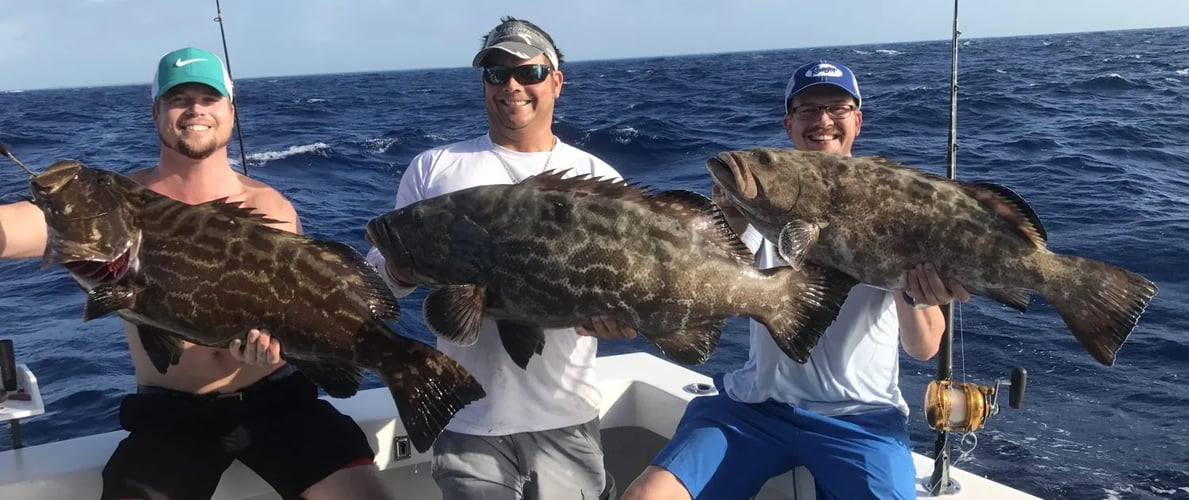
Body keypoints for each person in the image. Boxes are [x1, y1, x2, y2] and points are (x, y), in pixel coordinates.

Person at [0, 47, 390, 500]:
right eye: (179, 98)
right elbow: (11, 228)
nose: (195, 110)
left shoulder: (271, 207)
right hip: (171, 415)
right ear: (156, 111)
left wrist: (277, 354)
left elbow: (300, 313)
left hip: (277, 399)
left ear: (230, 110)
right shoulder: (109, 208)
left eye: (208, 98)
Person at [621, 60, 973, 500]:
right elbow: (707, 288)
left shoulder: (894, 203)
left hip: (862, 418)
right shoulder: (761, 195)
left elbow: (923, 348)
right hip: (756, 408)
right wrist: (725, 223)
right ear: (788, 124)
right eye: (807, 110)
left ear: (857, 121)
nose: (822, 120)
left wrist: (913, 285)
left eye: (837, 108)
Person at [364, 16, 634, 500]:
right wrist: (398, 268)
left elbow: (630, 281)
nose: (511, 86)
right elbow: (377, 285)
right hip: (468, 417)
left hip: (566, 417)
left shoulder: (599, 177)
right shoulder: (434, 169)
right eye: (495, 74)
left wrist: (624, 318)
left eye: (527, 73)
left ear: (556, 81)